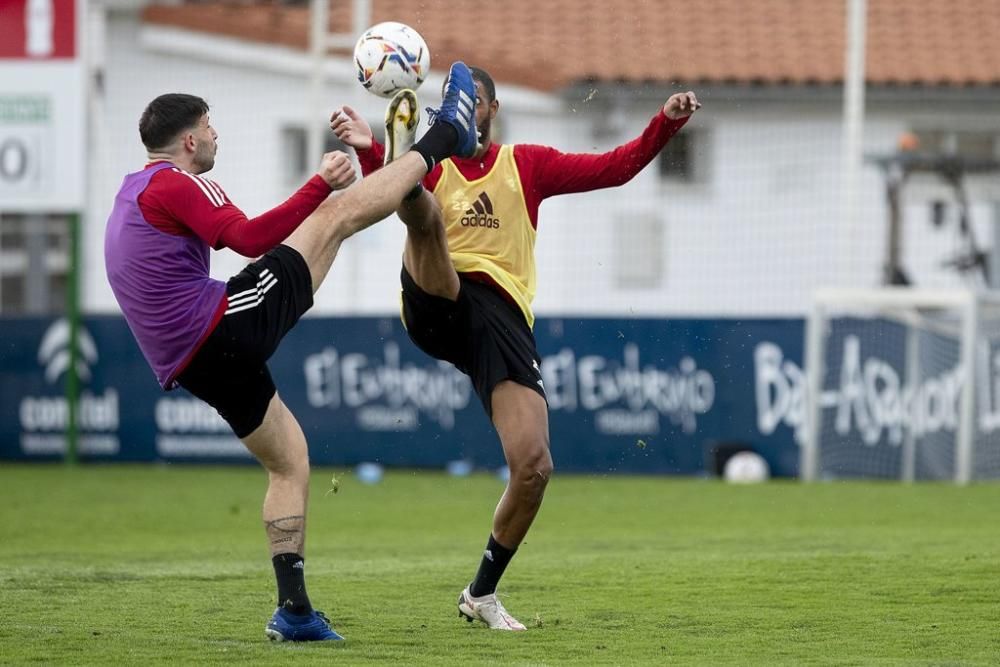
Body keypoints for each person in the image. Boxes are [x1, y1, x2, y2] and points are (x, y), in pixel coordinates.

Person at [104, 62, 480, 642]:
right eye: (210, 126)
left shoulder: (133, 190)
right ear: (188, 140)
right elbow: (251, 240)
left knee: (290, 461)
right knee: (335, 213)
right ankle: (445, 136)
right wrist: (319, 185)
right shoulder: (176, 182)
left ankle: (295, 612)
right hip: (220, 327)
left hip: (192, 362)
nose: (216, 135)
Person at [332, 66, 700, 631]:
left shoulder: (524, 165)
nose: (469, 109)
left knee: (534, 467)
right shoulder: (444, 169)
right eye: (459, 102)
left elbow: (613, 168)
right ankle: (402, 164)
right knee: (423, 215)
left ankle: (480, 594)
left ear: (492, 109)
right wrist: (377, 153)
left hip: (501, 322)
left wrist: (664, 125)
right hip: (439, 296)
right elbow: (380, 207)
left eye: (474, 101)